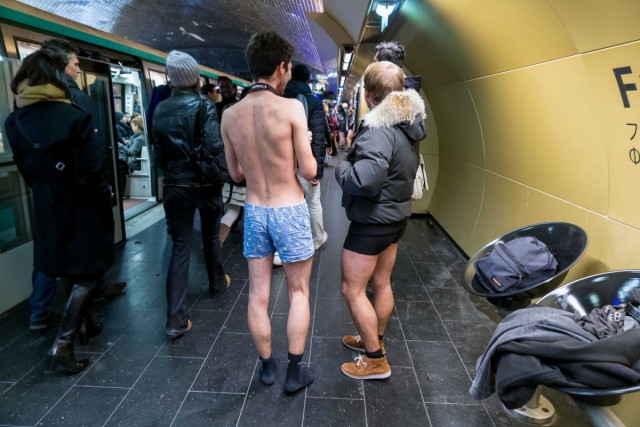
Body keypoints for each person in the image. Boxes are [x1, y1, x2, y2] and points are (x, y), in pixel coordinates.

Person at [5, 48, 115, 373]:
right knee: (89, 272)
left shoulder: (15, 121)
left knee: (67, 266)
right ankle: (62, 346)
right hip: (81, 204)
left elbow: (25, 168)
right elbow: (90, 171)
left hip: (46, 201)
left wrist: (45, 188)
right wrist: (103, 195)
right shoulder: (74, 117)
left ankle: (84, 327)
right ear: (56, 78)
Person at [221, 31, 317, 394]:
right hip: (288, 209)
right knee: (298, 292)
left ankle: (266, 367)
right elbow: (308, 171)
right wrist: (302, 147)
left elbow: (236, 174)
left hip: (255, 210)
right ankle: (294, 373)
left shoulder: (230, 115)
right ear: (281, 67)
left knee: (258, 294)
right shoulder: (292, 108)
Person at [336, 61, 426, 380]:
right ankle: (374, 338)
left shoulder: (378, 129)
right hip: (395, 217)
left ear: (369, 95)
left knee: (351, 289)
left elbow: (365, 180)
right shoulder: (408, 121)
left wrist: (341, 168)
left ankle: (375, 359)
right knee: (381, 283)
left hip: (372, 222)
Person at [153, 50, 231, 339]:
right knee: (211, 237)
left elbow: (158, 154)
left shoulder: (160, 109)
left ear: (172, 79)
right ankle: (217, 284)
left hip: (175, 186)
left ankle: (175, 320)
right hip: (205, 186)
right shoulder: (204, 107)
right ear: (195, 78)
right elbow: (214, 145)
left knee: (180, 246)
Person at [282, 63, 328, 258]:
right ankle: (317, 238)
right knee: (313, 201)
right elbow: (318, 138)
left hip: (283, 162)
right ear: (309, 80)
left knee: (287, 201)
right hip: (305, 160)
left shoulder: (281, 98)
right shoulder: (314, 102)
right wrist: (317, 170)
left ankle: (288, 241)